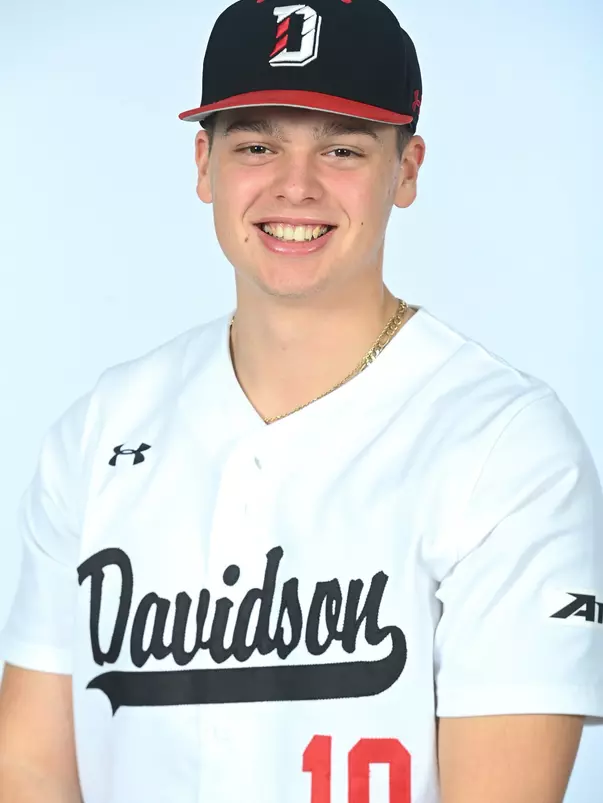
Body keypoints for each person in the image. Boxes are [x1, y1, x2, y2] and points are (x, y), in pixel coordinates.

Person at [1, 0, 602, 801]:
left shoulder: (505, 445)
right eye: (256, 144)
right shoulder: (101, 428)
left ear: (408, 168)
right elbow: (30, 766)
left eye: (342, 148)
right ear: (203, 165)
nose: (296, 185)